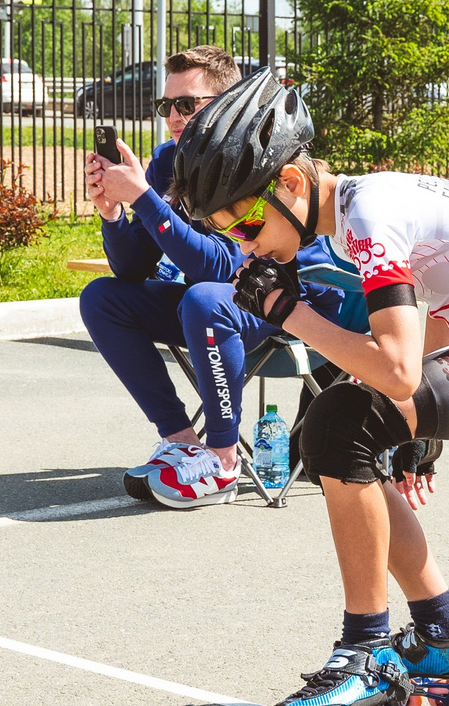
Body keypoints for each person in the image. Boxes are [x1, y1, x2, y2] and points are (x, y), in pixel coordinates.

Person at [163, 70, 449, 706]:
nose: (246, 244)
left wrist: (290, 313)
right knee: (338, 431)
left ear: (293, 185)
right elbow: (445, 317)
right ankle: (445, 637)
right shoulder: (358, 212)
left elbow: (396, 364)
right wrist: (411, 419)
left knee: (340, 421)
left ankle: (365, 654)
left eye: (248, 221)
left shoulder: (367, 218)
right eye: (230, 232)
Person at [78, 45, 358, 510]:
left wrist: (145, 199)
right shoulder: (168, 162)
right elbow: (131, 269)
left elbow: (227, 269)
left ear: (227, 103)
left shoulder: (252, 155)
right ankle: (184, 441)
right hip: (217, 310)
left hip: (292, 302)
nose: (173, 116)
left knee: (205, 299)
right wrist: (113, 214)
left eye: (187, 105)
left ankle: (223, 461)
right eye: (165, 105)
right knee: (103, 298)